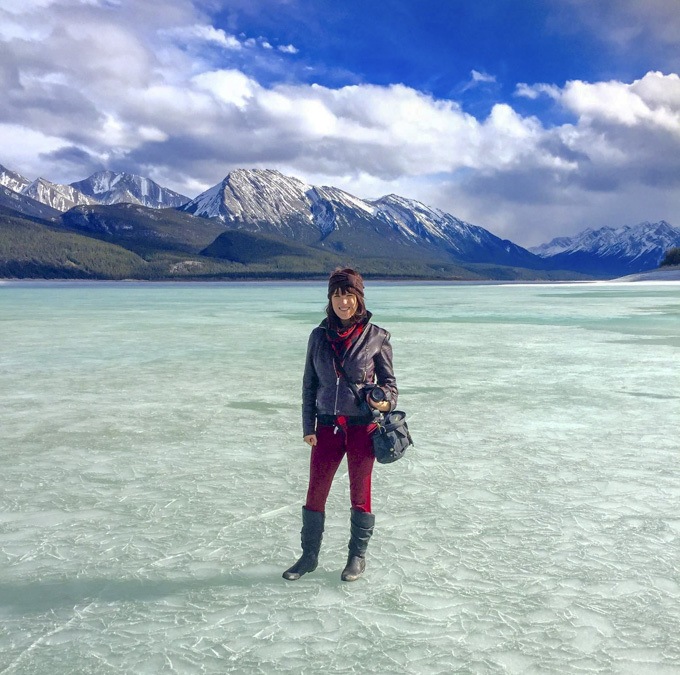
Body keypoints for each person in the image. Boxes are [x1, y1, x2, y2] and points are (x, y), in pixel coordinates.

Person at [283, 268, 398, 582]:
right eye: (337, 295)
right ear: (330, 299)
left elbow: (391, 387)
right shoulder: (318, 336)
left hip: (364, 429)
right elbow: (309, 384)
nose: (343, 302)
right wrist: (308, 426)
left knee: (360, 494)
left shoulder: (377, 336)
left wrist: (383, 400)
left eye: (348, 295)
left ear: (359, 298)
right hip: (326, 429)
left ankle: (356, 558)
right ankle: (308, 557)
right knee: (315, 493)